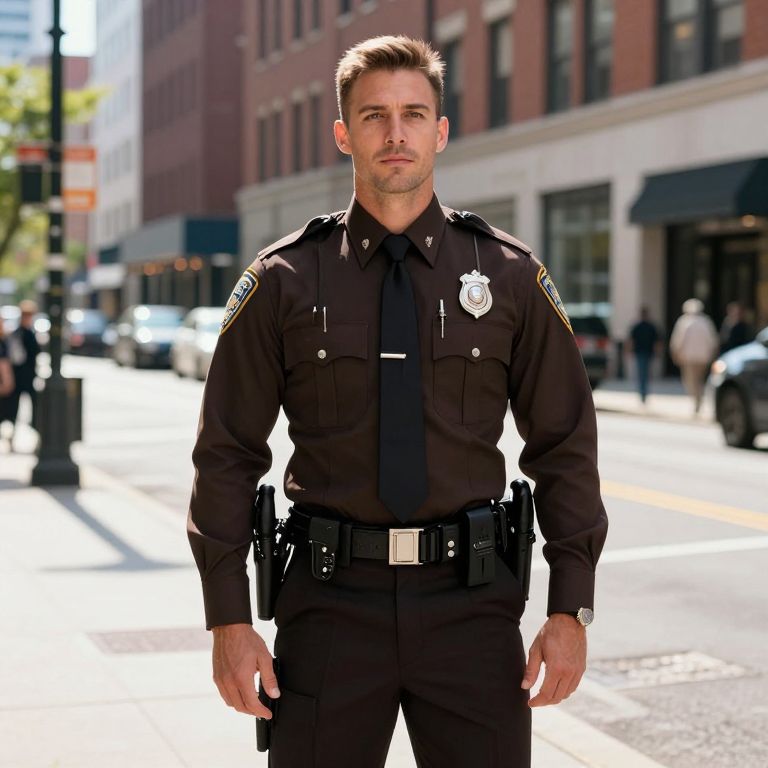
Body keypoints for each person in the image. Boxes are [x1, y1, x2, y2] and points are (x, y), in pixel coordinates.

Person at [187, 36, 608, 767]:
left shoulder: (506, 276)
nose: (396, 133)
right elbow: (225, 453)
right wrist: (228, 620)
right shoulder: (284, 280)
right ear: (344, 133)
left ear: (440, 132)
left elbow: (564, 446)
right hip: (327, 610)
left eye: (415, 114)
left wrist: (570, 608)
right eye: (374, 116)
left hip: (472, 609)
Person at [2, 300, 41, 451]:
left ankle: (12, 438)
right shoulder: (26, 334)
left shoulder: (15, 333)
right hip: (25, 377)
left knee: (14, 409)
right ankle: (15, 437)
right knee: (28, 409)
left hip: (19, 377)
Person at [669, 298, 719, 414]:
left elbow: (677, 341)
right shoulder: (706, 322)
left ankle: (697, 400)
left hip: (689, 357)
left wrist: (675, 354)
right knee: (699, 380)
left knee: (691, 381)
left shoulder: (684, 322)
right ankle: (698, 399)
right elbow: (713, 341)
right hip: (703, 357)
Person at [627, 307, 660, 403]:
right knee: (644, 373)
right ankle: (643, 393)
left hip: (642, 352)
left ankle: (643, 393)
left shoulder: (639, 326)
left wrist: (629, 351)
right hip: (645, 352)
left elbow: (631, 341)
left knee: (642, 373)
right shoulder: (649, 326)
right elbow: (657, 342)